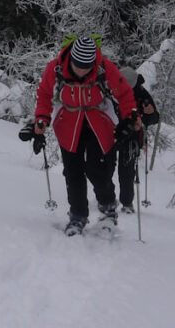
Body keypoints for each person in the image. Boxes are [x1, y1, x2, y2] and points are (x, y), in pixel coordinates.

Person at [34, 36, 140, 235]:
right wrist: (41, 119)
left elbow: (124, 94)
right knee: (73, 173)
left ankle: (108, 209)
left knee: (97, 170)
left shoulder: (104, 68)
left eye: (86, 67)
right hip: (68, 125)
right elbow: (45, 94)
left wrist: (131, 116)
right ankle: (77, 216)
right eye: (78, 66)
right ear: (71, 59)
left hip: (98, 123)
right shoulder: (55, 68)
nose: (81, 71)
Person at [114, 66, 160, 213]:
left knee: (126, 171)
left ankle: (127, 203)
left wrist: (150, 114)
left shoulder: (141, 94)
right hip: (111, 133)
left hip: (132, 136)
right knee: (105, 168)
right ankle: (106, 197)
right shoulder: (111, 89)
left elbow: (154, 118)